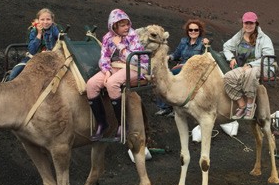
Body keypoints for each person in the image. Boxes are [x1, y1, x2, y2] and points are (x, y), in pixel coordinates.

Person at [86, 9, 148, 142]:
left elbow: (135, 59)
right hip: (117, 66)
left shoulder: (133, 36)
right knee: (91, 84)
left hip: (136, 67)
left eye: (127, 24)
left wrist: (120, 46)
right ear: (114, 26)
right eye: (122, 25)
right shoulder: (107, 37)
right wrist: (106, 70)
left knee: (112, 83)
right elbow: (104, 57)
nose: (126, 27)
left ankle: (122, 124)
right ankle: (102, 123)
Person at [223, 11, 275, 120]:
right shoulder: (239, 36)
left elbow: (268, 57)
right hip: (243, 67)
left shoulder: (264, 39)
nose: (248, 26)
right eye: (246, 23)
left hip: (261, 66)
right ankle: (242, 105)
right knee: (228, 77)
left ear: (256, 24)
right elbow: (226, 47)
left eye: (251, 23)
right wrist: (231, 58)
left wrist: (251, 65)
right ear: (242, 23)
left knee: (249, 73)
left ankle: (250, 106)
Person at [155, 19, 210, 117]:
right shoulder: (184, 41)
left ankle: (176, 107)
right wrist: (167, 57)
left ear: (199, 31)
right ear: (187, 31)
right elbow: (176, 54)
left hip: (194, 69)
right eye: (190, 30)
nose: (193, 32)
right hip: (181, 67)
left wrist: (207, 45)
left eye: (196, 30)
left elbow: (205, 59)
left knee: (174, 74)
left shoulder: (203, 43)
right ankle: (165, 107)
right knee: (161, 77)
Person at [7, 8, 60, 81]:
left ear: (52, 20)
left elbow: (61, 38)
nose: (45, 22)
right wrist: (39, 33)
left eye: (48, 19)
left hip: (50, 58)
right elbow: (32, 50)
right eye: (42, 19)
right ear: (38, 20)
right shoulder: (33, 31)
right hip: (33, 58)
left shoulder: (54, 29)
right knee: (14, 74)